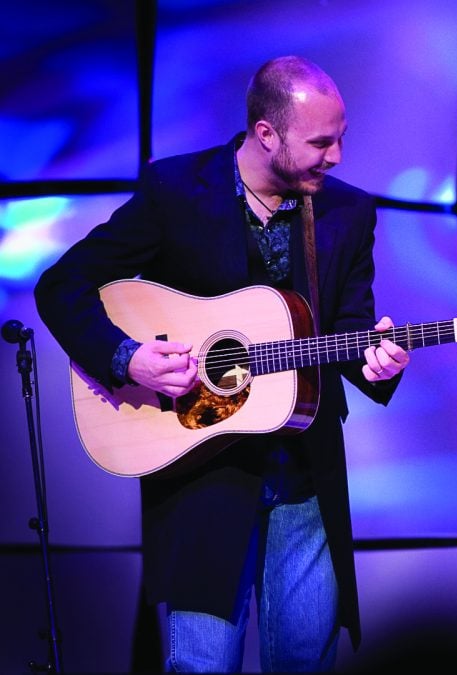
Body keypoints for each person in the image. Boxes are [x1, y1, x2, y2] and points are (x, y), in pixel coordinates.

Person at [35, 55, 409, 672]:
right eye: (321, 142)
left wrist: (379, 363)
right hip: (202, 469)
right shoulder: (177, 192)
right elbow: (63, 285)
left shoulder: (348, 212)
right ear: (267, 134)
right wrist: (130, 359)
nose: (337, 156)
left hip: (304, 476)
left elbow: (348, 333)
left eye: (343, 138)